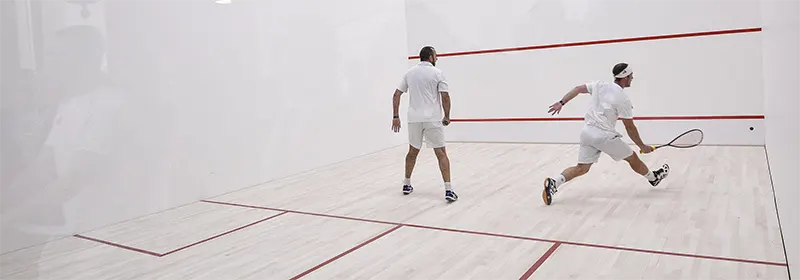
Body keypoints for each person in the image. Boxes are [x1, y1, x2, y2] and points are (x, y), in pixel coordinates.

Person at [542, 62, 669, 205]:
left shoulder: (599, 85)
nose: (632, 78)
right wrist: (642, 146)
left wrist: (561, 102)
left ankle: (554, 182)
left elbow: (578, 89)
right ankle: (653, 178)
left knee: (582, 168)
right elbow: (630, 127)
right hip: (604, 137)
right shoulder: (623, 99)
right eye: (631, 76)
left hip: (587, 133)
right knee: (633, 158)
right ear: (625, 77)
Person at [391, 46, 458, 202]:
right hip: (432, 119)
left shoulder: (409, 73)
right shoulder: (438, 73)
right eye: (436, 55)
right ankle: (448, 190)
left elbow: (396, 94)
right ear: (430, 56)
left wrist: (395, 116)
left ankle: (406, 184)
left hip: (414, 119)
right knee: (441, 153)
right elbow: (445, 96)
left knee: (412, 151)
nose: (437, 57)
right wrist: (447, 116)